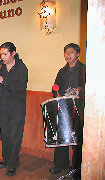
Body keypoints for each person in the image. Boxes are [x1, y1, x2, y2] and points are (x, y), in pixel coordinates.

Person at [0, 42, 28, 176]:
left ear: (13, 54)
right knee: (5, 135)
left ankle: (13, 164)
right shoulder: (0, 66)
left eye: (5, 54)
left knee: (15, 136)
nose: (2, 57)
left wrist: (2, 81)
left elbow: (19, 88)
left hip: (17, 107)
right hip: (4, 106)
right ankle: (6, 160)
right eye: (1, 54)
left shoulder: (21, 68)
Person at [49, 43, 86, 179]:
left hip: (78, 109)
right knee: (62, 137)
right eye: (65, 53)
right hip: (63, 106)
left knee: (77, 139)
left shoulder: (84, 69)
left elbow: (90, 87)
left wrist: (79, 90)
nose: (67, 55)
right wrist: (56, 93)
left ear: (77, 54)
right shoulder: (62, 71)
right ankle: (60, 165)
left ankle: (77, 167)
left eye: (70, 52)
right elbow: (55, 85)